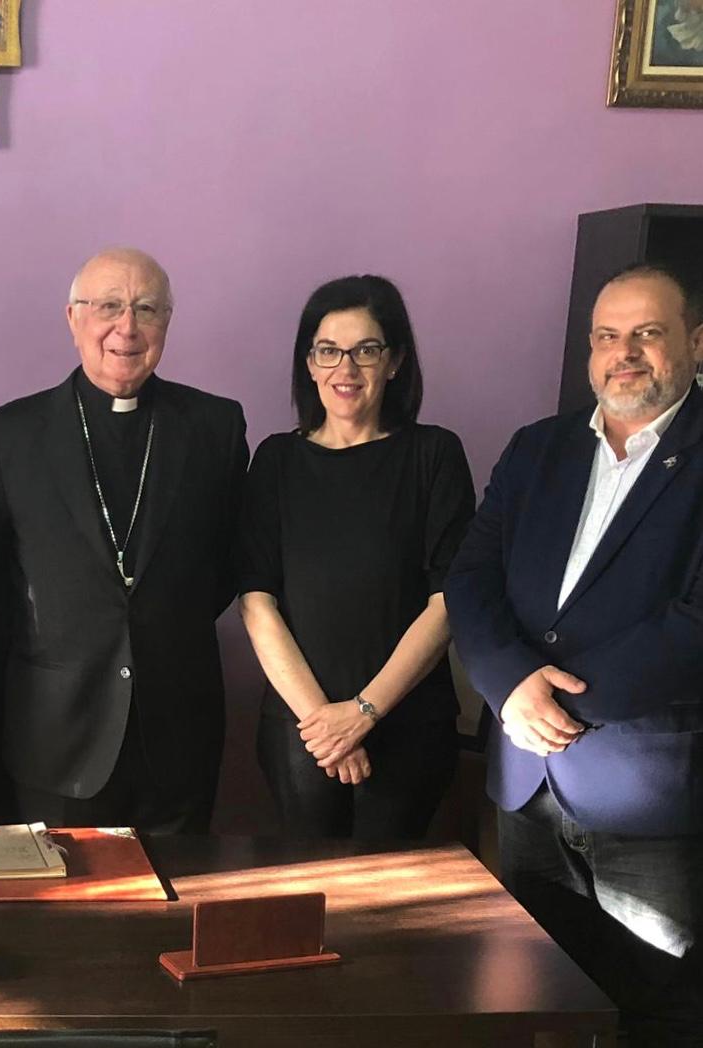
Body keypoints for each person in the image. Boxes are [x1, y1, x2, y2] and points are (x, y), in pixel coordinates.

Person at [446, 264, 703, 1045]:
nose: (623, 353)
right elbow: (470, 578)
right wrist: (509, 685)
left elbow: (693, 622)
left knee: (657, 1006)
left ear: (695, 343)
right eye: (605, 336)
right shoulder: (537, 448)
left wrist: (550, 701)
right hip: (526, 784)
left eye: (646, 333)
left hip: (648, 791)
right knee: (536, 997)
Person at [0, 247, 248, 833]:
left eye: (146, 309)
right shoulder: (7, 435)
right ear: (73, 318)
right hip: (56, 731)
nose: (127, 327)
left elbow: (230, 562)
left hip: (178, 725)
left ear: (166, 322)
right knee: (65, 890)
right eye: (108, 307)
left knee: (178, 886)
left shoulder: (215, 427)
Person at [238, 275, 475, 840]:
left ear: (394, 362)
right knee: (304, 881)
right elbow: (256, 601)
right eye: (328, 351)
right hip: (302, 727)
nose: (345, 369)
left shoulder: (434, 454)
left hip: (409, 722)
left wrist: (363, 713)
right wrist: (326, 726)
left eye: (366, 350)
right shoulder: (276, 460)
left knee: (390, 888)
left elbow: (447, 601)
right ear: (309, 363)